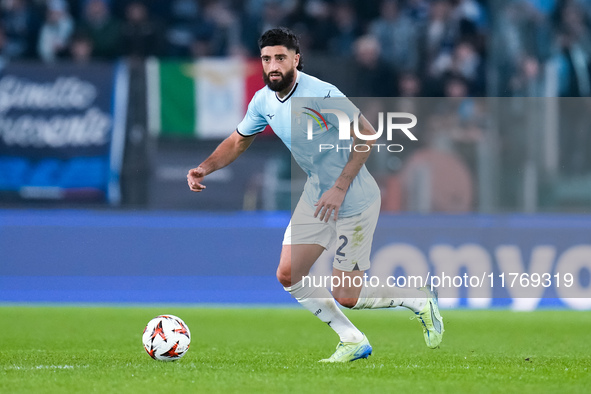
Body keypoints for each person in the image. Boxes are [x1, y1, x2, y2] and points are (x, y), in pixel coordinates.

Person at [187, 27, 444, 362]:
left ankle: (419, 298)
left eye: (280, 57)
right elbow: (239, 140)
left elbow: (367, 135)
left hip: (354, 197)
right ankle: (351, 339)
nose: (273, 65)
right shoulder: (263, 100)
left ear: (296, 59)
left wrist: (339, 188)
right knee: (288, 274)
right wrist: (205, 168)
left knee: (347, 295)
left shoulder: (322, 95)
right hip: (317, 194)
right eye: (266, 59)